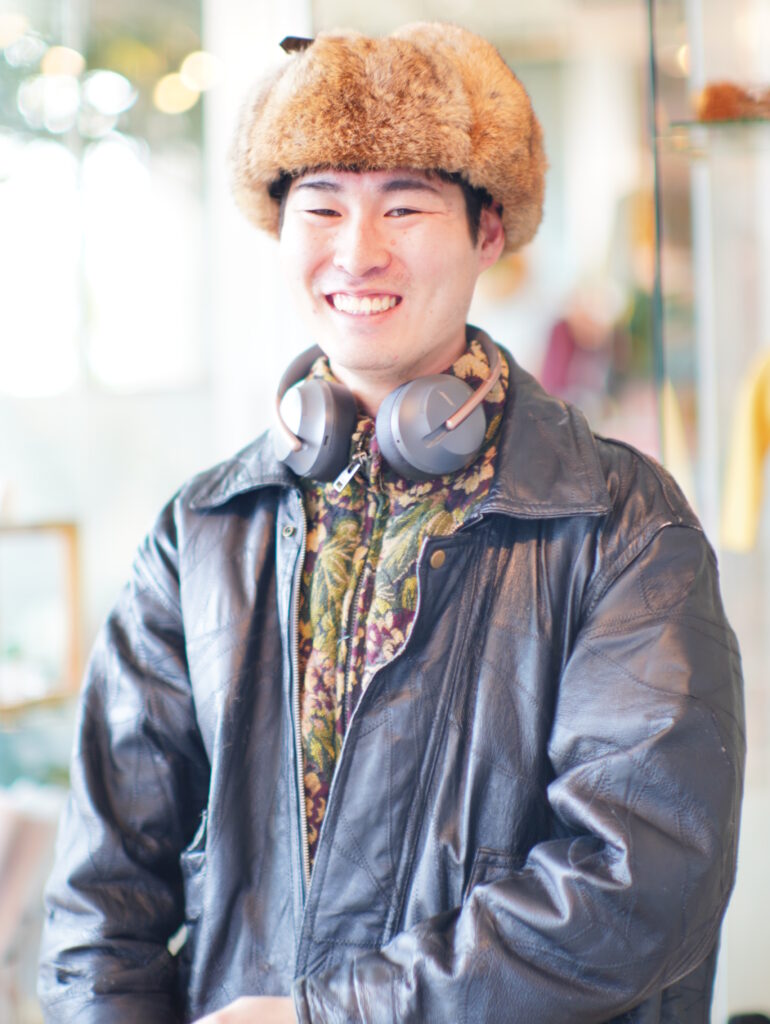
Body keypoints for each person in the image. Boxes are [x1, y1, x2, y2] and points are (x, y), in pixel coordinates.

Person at [38, 23, 745, 1024]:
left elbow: (637, 883)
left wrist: (332, 1015)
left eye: (405, 207)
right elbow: (98, 900)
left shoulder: (620, 524)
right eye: (321, 206)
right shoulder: (201, 531)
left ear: (488, 232)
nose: (357, 252)